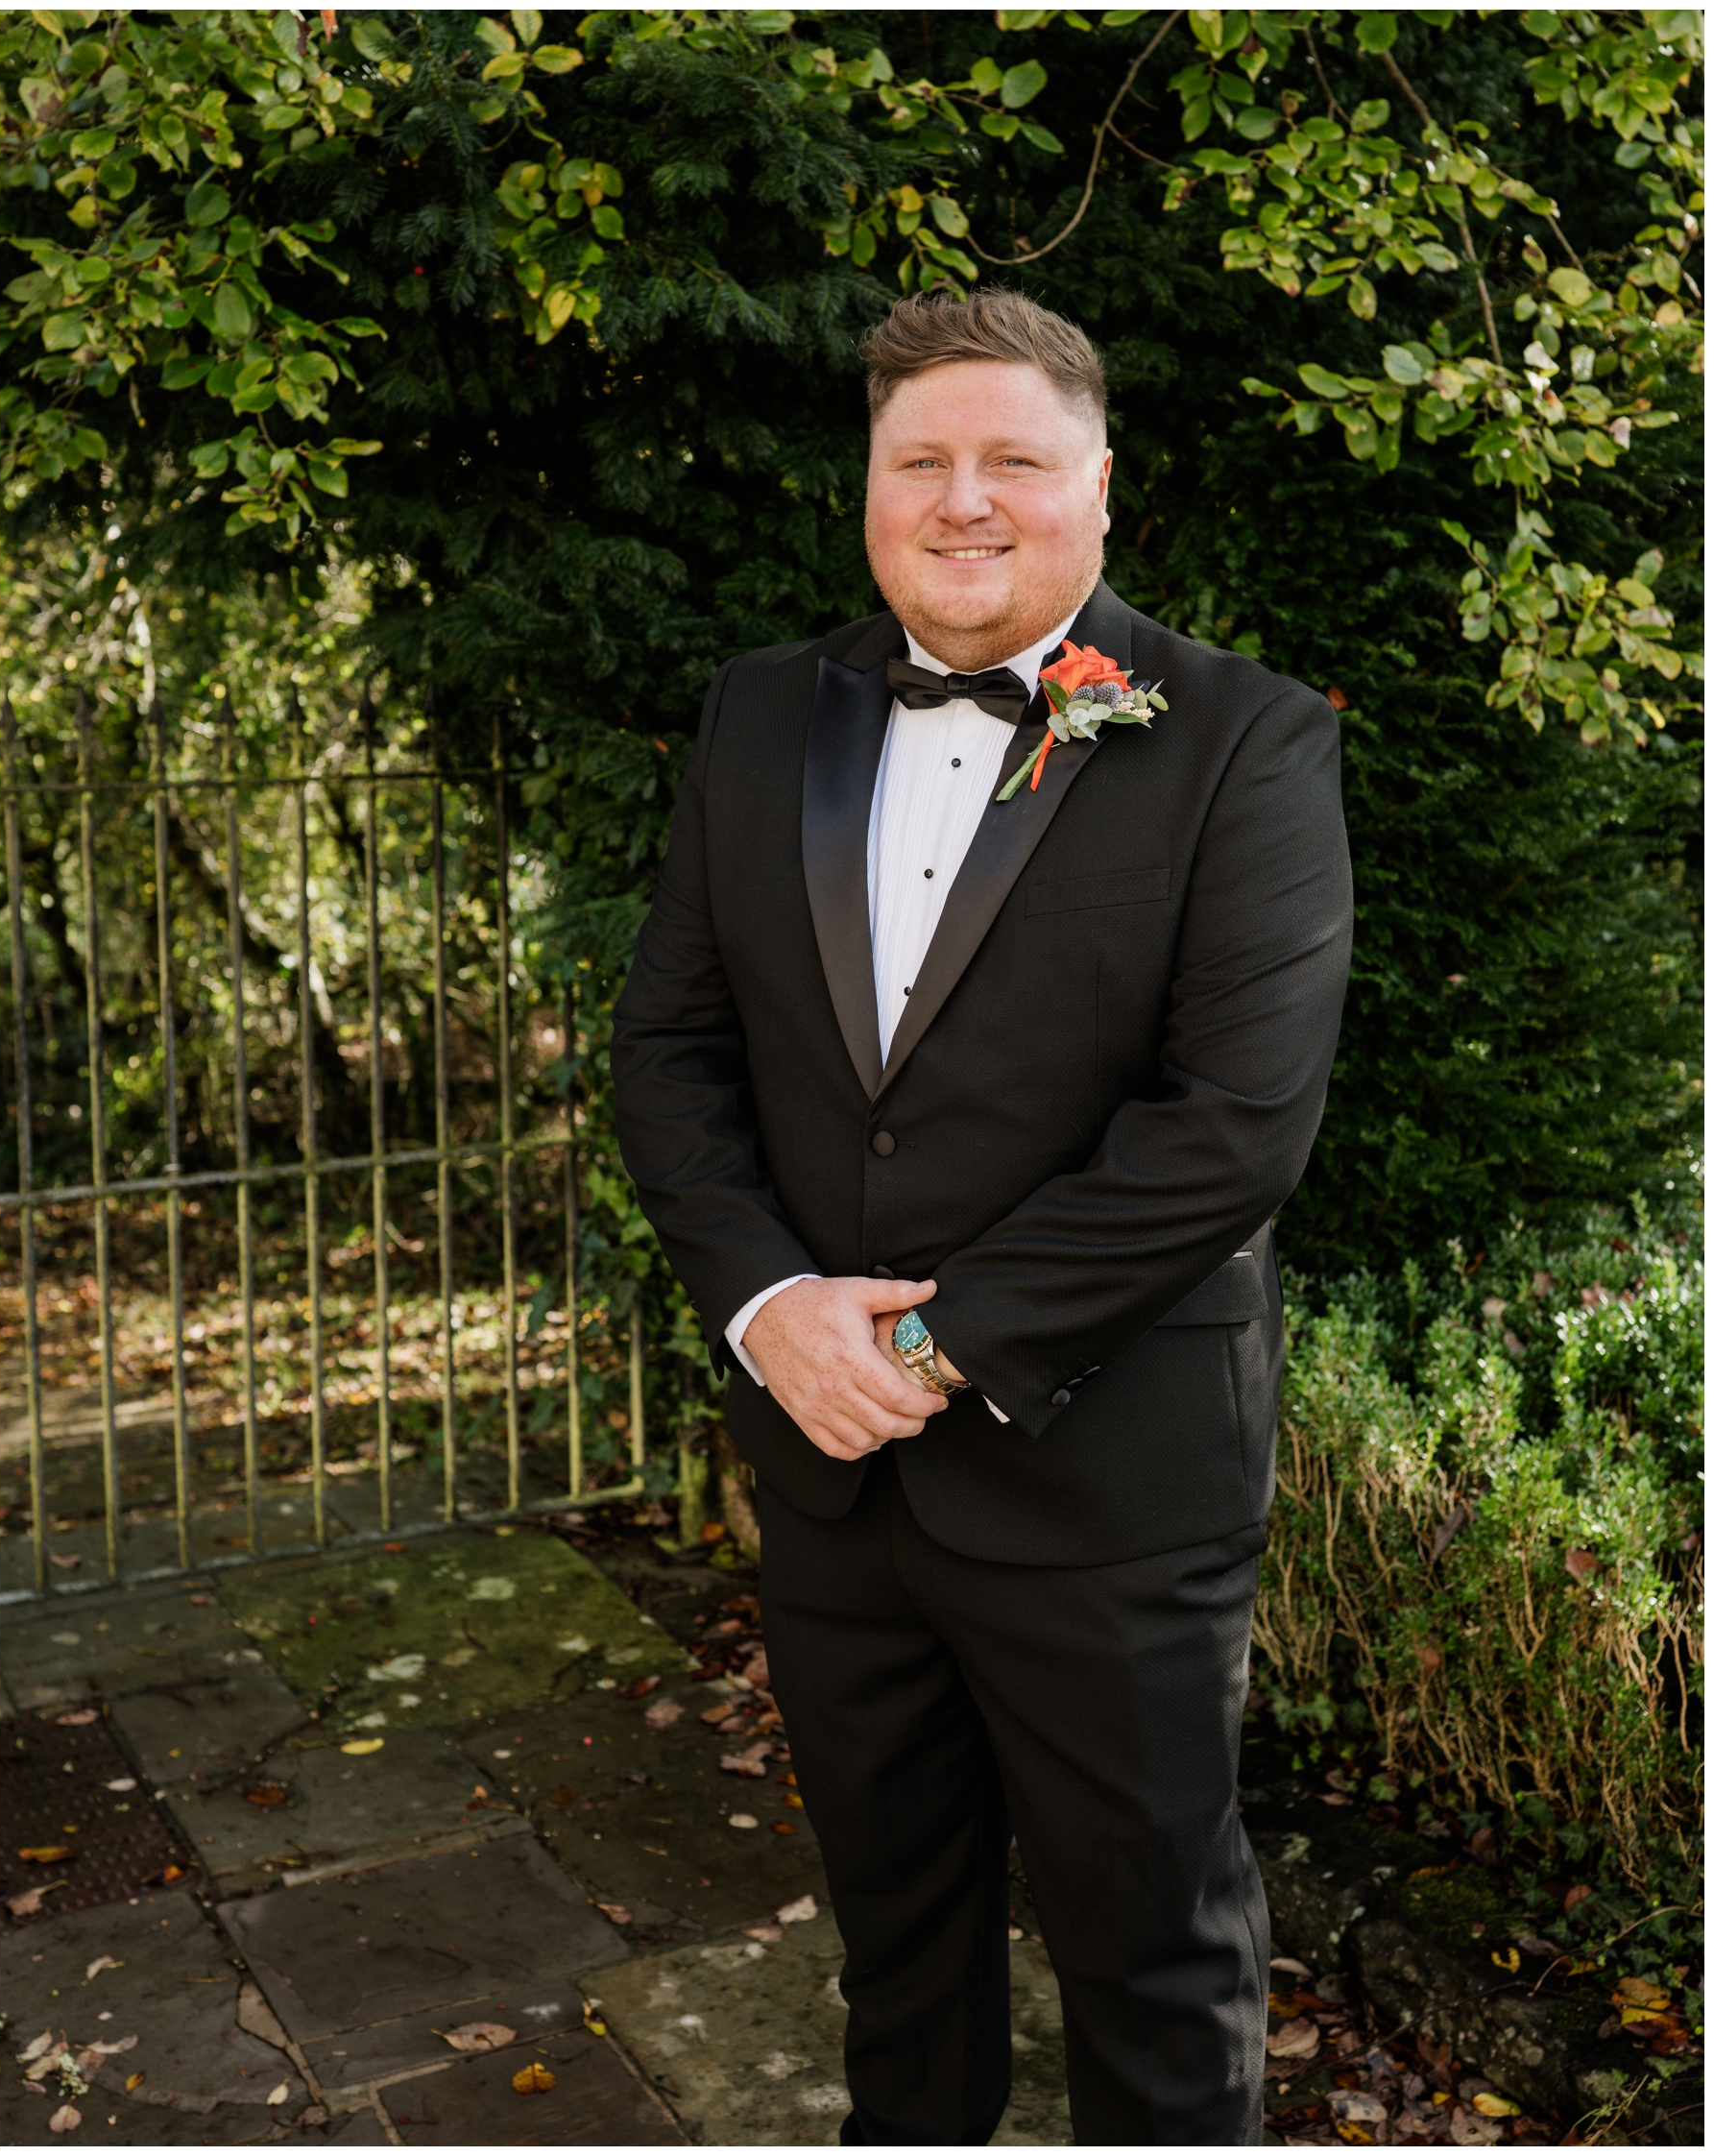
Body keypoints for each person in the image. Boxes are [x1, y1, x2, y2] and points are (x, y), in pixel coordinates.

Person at [612, 286, 1352, 2146]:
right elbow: (673, 1052)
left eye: (1013, 458)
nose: (962, 499)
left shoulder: (1244, 738)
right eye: (918, 459)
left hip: (1110, 1486)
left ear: (1099, 485)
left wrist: (931, 1347)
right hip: (830, 1476)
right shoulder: (760, 712)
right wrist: (773, 1309)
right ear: (867, 488)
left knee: (1157, 1976)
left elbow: (1233, 1128)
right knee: (898, 1962)